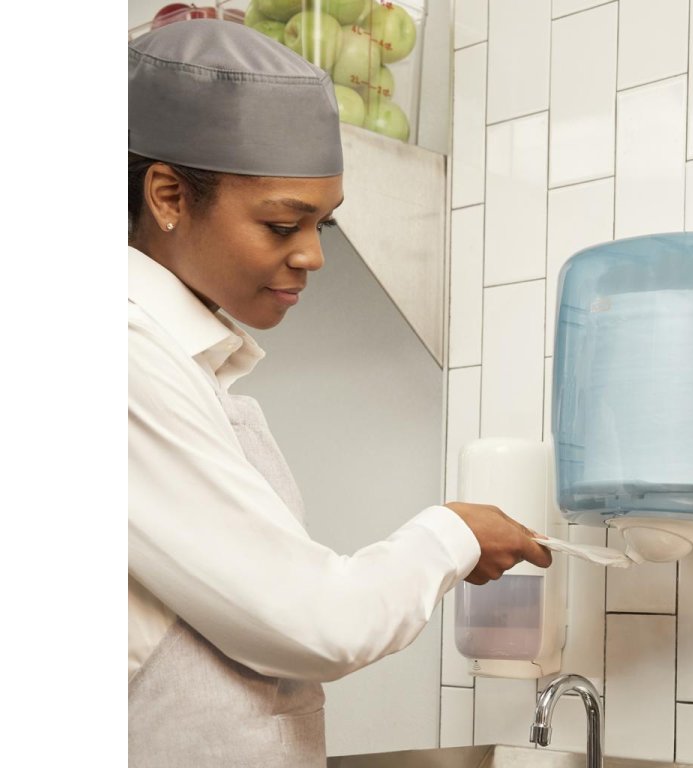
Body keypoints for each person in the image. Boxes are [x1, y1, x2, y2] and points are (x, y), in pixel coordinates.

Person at [127, 19, 551, 768]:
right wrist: (453, 534)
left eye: (323, 223)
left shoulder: (179, 358)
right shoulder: (122, 355)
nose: (313, 255)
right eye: (282, 224)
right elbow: (315, 622)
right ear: (168, 195)